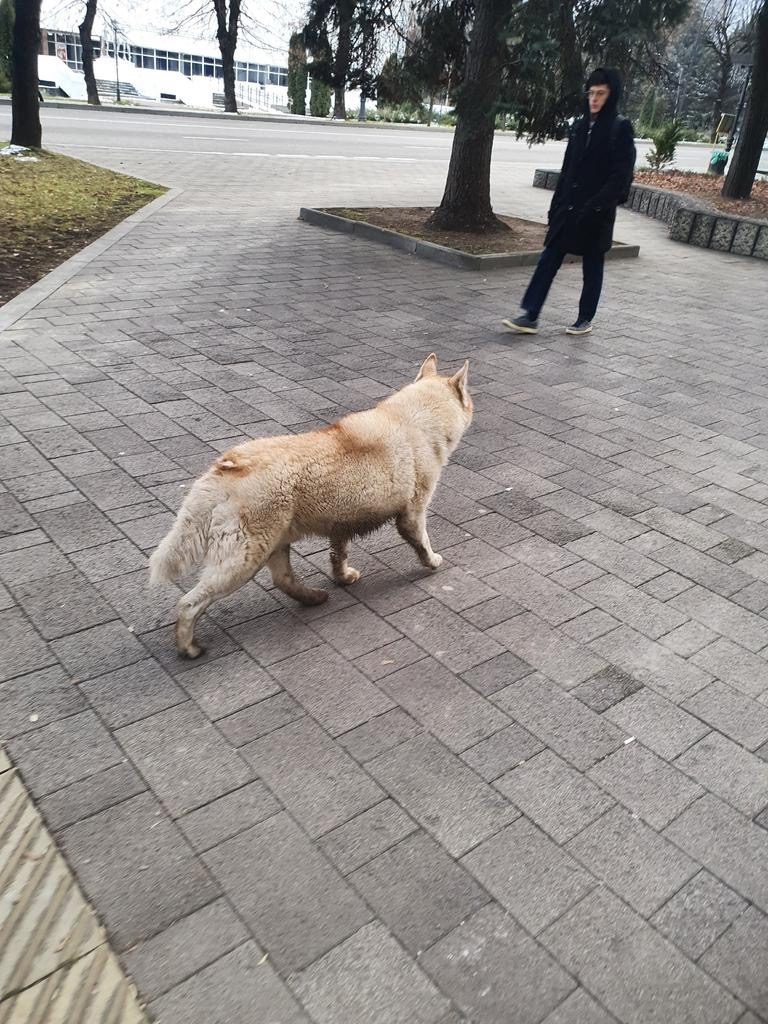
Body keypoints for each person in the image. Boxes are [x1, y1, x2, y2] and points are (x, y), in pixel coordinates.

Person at [503, 67, 636, 337]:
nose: (594, 99)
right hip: (568, 209)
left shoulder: (619, 128)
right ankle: (530, 314)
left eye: (600, 94)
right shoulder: (578, 126)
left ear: (611, 95)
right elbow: (567, 171)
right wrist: (555, 207)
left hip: (596, 213)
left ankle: (585, 317)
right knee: (548, 259)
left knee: (593, 266)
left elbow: (621, 177)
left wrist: (597, 205)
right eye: (591, 93)